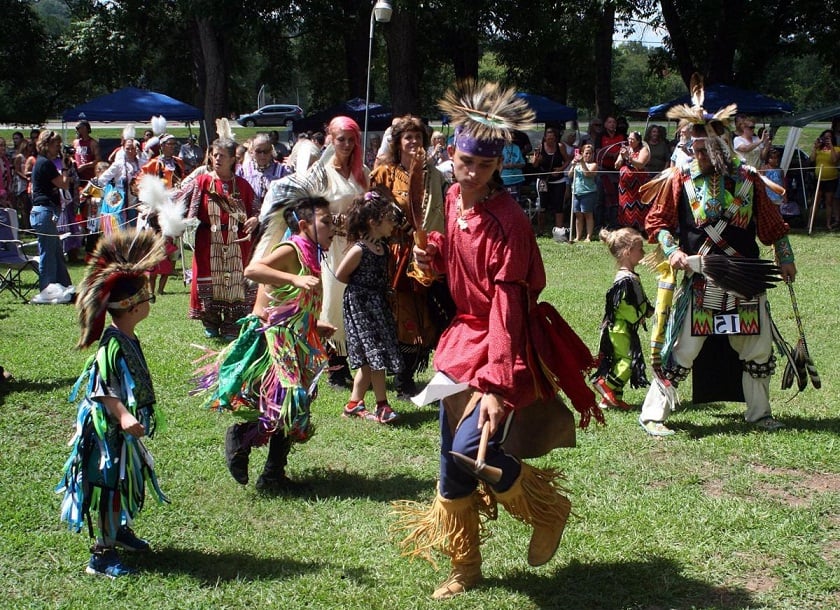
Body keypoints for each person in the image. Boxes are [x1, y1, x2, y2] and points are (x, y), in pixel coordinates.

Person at [394, 80, 601, 601]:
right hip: (462, 340)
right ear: (452, 154)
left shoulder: (509, 223)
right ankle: (465, 567)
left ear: (497, 164)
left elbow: (507, 311)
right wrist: (429, 257)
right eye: (465, 161)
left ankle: (548, 510)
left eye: (484, 166)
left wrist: (496, 387)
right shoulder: (454, 203)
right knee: (451, 461)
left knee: (470, 448)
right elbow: (451, 262)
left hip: (501, 345)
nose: (472, 172)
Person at [640, 81, 797, 436]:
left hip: (745, 280)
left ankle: (759, 414)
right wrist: (672, 250)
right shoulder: (680, 179)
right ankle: (653, 415)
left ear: (722, 148)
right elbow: (658, 223)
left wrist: (785, 256)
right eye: (694, 148)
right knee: (681, 349)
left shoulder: (748, 180)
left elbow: (773, 226)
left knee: (757, 348)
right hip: (702, 280)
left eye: (704, 150)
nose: (698, 155)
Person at [196, 195, 336, 491]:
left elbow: (295, 303)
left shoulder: (313, 253)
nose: (332, 228)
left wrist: (314, 324)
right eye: (325, 222)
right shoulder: (291, 249)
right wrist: (294, 280)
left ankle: (273, 474)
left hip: (296, 337)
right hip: (274, 337)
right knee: (287, 400)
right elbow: (253, 271)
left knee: (293, 403)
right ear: (304, 225)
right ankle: (241, 437)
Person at [57, 229, 168, 578]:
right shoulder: (113, 344)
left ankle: (117, 532)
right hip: (107, 432)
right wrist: (122, 416)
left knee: (121, 482)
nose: (149, 302)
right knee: (108, 486)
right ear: (133, 307)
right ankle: (101, 556)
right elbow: (101, 389)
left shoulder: (126, 336)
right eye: (147, 297)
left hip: (121, 432)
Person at [261, 116, 370, 388]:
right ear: (330, 139)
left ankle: (356, 359)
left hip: (355, 247)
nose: (346, 145)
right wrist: (331, 223)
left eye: (351, 140)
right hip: (329, 246)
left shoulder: (363, 171)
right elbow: (304, 209)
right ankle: (335, 365)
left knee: (353, 301)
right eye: (341, 139)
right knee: (331, 301)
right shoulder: (320, 173)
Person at [369, 115, 447, 398]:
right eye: (408, 137)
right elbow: (370, 208)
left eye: (418, 137)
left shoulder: (434, 176)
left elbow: (442, 212)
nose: (414, 142)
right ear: (398, 143)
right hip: (394, 255)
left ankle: (408, 372)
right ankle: (397, 376)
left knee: (424, 312)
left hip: (426, 253)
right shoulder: (385, 174)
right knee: (398, 314)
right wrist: (394, 220)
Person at [335, 189, 404, 424]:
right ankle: (382, 405)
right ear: (374, 223)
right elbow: (341, 274)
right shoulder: (359, 249)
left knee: (369, 358)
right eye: (389, 220)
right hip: (361, 306)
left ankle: (353, 404)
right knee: (376, 354)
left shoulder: (382, 248)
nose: (393, 224)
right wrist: (363, 289)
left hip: (377, 304)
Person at [182, 133, 259, 339]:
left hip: (237, 240)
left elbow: (258, 210)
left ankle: (232, 324)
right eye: (215, 155)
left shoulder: (242, 185)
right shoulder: (202, 182)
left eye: (222, 155)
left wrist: (255, 219)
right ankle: (211, 322)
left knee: (235, 283)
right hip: (208, 240)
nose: (217, 159)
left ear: (233, 159)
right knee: (209, 282)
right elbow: (180, 201)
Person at [591, 227, 653, 410]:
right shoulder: (624, 280)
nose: (643, 253)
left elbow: (638, 299)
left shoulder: (630, 277)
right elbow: (625, 305)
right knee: (628, 361)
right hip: (619, 328)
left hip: (623, 328)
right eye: (640, 249)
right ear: (627, 252)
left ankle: (611, 399)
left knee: (620, 361)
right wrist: (641, 314)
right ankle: (605, 385)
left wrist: (647, 309)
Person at [29, 131, 73, 292]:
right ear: (46, 145)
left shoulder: (44, 162)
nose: (58, 148)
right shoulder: (45, 163)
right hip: (44, 212)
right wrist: (65, 167)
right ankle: (47, 288)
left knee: (56, 252)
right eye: (56, 145)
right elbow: (64, 184)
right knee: (48, 253)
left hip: (47, 212)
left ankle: (65, 286)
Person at [532, 126, 569, 237]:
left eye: (552, 139)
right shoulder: (540, 147)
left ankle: (559, 231)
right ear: (545, 138)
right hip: (543, 181)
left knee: (559, 206)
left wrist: (560, 169)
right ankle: (541, 231)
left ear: (555, 138)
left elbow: (567, 160)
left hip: (558, 181)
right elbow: (534, 165)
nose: (550, 141)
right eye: (548, 139)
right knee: (542, 206)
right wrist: (536, 160)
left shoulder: (560, 146)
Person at [615, 131, 650, 233]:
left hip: (638, 185)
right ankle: (626, 228)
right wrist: (621, 157)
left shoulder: (643, 150)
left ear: (638, 141)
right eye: (629, 139)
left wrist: (629, 158)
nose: (630, 141)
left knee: (640, 206)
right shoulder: (625, 149)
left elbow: (640, 164)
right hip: (625, 187)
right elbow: (616, 166)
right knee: (625, 205)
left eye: (632, 139)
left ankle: (641, 229)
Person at [568, 143, 598, 242]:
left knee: (588, 214)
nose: (588, 155)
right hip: (576, 192)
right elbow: (569, 175)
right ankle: (578, 236)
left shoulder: (593, 165)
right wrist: (573, 165)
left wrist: (582, 163)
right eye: (586, 153)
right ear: (581, 153)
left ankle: (588, 236)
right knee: (578, 215)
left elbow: (587, 174)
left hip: (588, 192)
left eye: (590, 153)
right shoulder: (577, 164)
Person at [811, 129, 839, 230]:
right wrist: (815, 147)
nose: (827, 139)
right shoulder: (819, 148)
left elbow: (834, 160)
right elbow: (812, 159)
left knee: (829, 202)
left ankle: (828, 223)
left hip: (831, 179)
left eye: (829, 137)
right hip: (819, 179)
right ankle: (810, 223)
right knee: (815, 201)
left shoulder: (837, 149)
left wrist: (831, 147)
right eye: (825, 137)